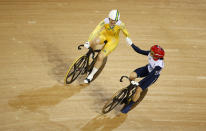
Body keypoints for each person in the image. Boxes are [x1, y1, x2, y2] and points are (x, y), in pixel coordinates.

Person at [83, 9, 133, 83]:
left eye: (115, 21)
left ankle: (91, 75)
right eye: (111, 20)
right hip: (104, 35)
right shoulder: (105, 21)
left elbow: (126, 33)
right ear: (109, 18)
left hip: (113, 40)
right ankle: (90, 54)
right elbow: (96, 30)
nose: (113, 22)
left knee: (100, 57)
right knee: (94, 41)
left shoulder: (120, 24)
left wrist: (128, 38)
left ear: (117, 20)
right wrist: (88, 41)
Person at [121, 43, 165, 114]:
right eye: (151, 51)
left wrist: (139, 83)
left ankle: (129, 105)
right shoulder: (151, 54)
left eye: (152, 52)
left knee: (138, 89)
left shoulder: (159, 65)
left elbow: (150, 76)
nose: (150, 52)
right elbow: (139, 51)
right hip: (147, 69)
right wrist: (131, 44)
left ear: (156, 56)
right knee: (132, 76)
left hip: (152, 76)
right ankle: (130, 89)